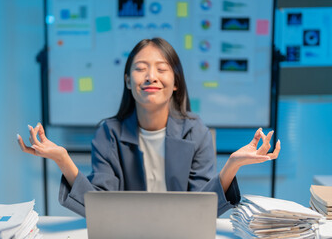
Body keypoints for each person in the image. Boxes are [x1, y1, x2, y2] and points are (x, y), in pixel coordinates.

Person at [17, 38, 280, 217]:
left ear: (175, 82)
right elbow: (99, 208)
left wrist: (232, 164)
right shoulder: (108, 133)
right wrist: (64, 160)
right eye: (140, 69)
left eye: (161, 69)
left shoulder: (196, 131)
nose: (151, 76)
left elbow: (204, 207)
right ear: (128, 82)